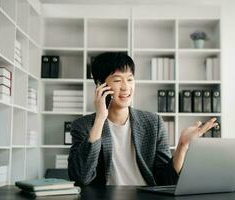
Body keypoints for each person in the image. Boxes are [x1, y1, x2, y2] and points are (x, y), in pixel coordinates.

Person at [68, 52, 217, 186]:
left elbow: (166, 181)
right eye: (118, 80)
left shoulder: (153, 122)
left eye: (130, 79)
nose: (126, 87)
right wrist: (100, 118)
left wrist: (182, 146)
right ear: (100, 85)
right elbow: (81, 178)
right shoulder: (83, 126)